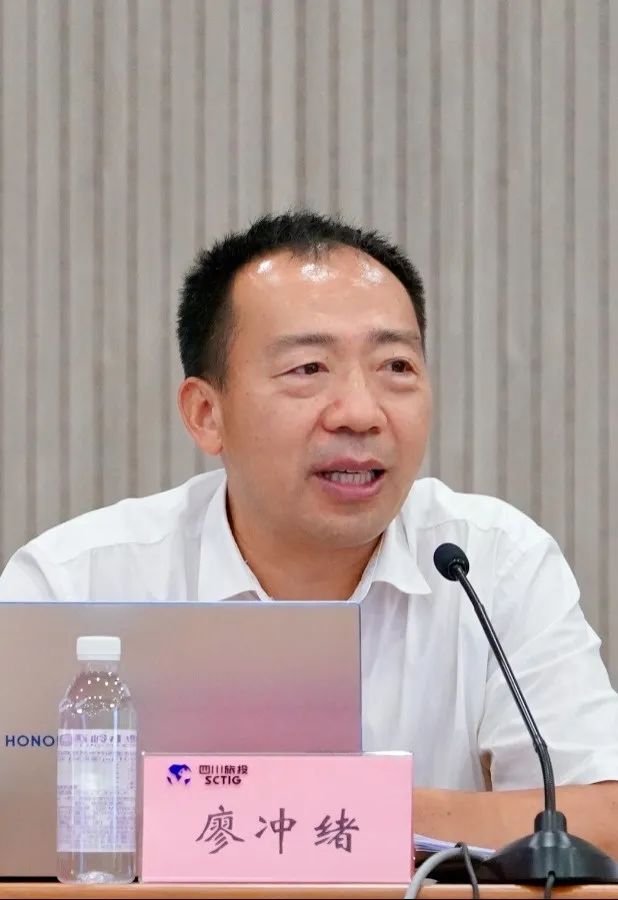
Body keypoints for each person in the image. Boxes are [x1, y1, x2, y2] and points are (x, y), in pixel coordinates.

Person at [1, 211, 617, 852]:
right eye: (308, 369)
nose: (361, 412)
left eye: (396, 366)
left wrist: (331, 809)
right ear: (207, 413)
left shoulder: (490, 563)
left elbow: (602, 817)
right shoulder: (73, 582)